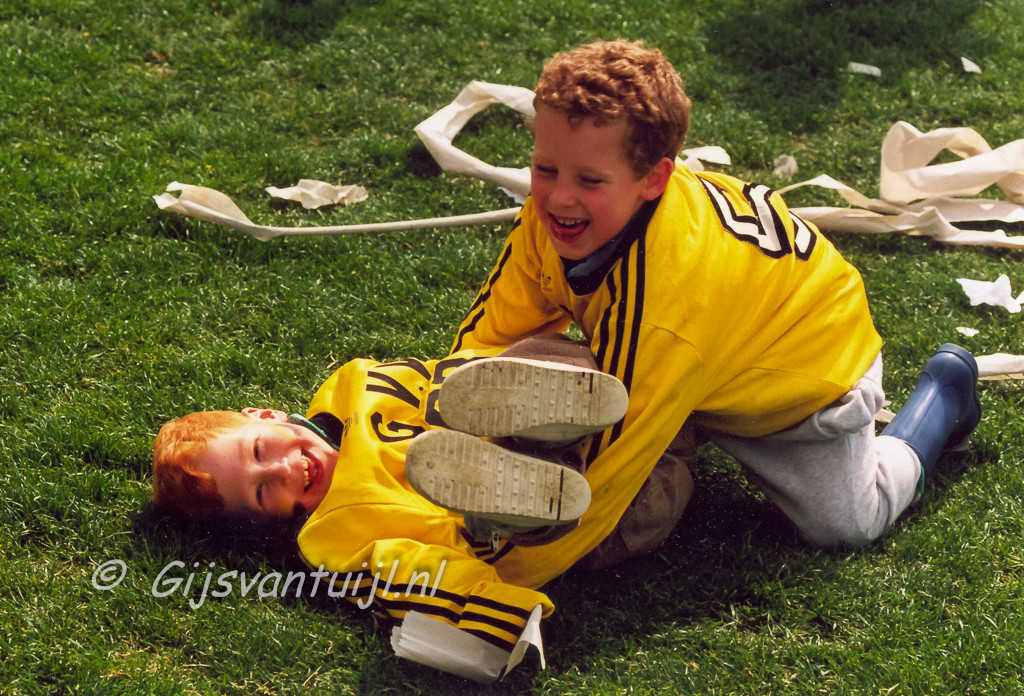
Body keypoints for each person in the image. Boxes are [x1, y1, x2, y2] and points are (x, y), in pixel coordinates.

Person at [446, 39, 982, 554]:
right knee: (532, 367)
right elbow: (489, 336)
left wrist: (507, 559)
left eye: (589, 180)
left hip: (800, 374)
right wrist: (444, 412)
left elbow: (620, 460)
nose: (560, 196)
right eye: (545, 169)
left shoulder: (667, 292)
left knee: (848, 523)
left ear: (655, 179)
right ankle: (658, 424)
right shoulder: (551, 218)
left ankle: (944, 396)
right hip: (690, 352)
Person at [152, 335, 695, 682]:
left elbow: (444, 375)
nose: (284, 469)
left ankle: (542, 435)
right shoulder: (331, 536)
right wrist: (504, 614)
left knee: (536, 357)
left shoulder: (355, 386)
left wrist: (491, 370)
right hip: (597, 508)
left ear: (265, 415)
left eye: (259, 451)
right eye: (263, 492)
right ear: (268, 520)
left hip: (583, 405)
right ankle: (522, 500)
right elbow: (415, 579)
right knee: (637, 507)